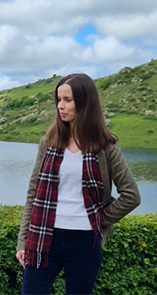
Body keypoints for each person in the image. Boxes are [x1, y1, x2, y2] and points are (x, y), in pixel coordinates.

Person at [16, 73, 140, 295]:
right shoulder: (49, 143)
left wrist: (98, 219)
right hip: (44, 235)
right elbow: (33, 195)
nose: (60, 106)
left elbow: (131, 195)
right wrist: (22, 241)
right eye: (58, 100)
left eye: (68, 100)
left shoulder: (106, 146)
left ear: (85, 103)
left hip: (85, 241)